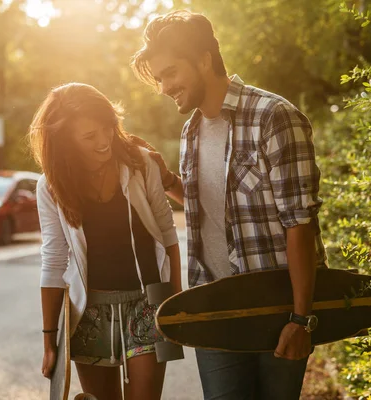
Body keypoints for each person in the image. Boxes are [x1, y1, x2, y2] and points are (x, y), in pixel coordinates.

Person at [130, 10, 328, 400]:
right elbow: (212, 205)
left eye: (171, 73)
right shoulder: (192, 131)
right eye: (159, 78)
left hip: (275, 307)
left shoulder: (274, 117)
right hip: (215, 308)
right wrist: (169, 180)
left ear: (204, 59)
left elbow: (299, 225)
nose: (164, 87)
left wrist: (301, 320)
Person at [30, 82, 181, 400]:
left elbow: (167, 236)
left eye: (108, 129)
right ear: (64, 142)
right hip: (89, 314)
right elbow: (54, 260)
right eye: (89, 136)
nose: (104, 142)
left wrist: (175, 301)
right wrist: (49, 341)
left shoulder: (141, 164)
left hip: (148, 303)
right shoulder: (51, 186)